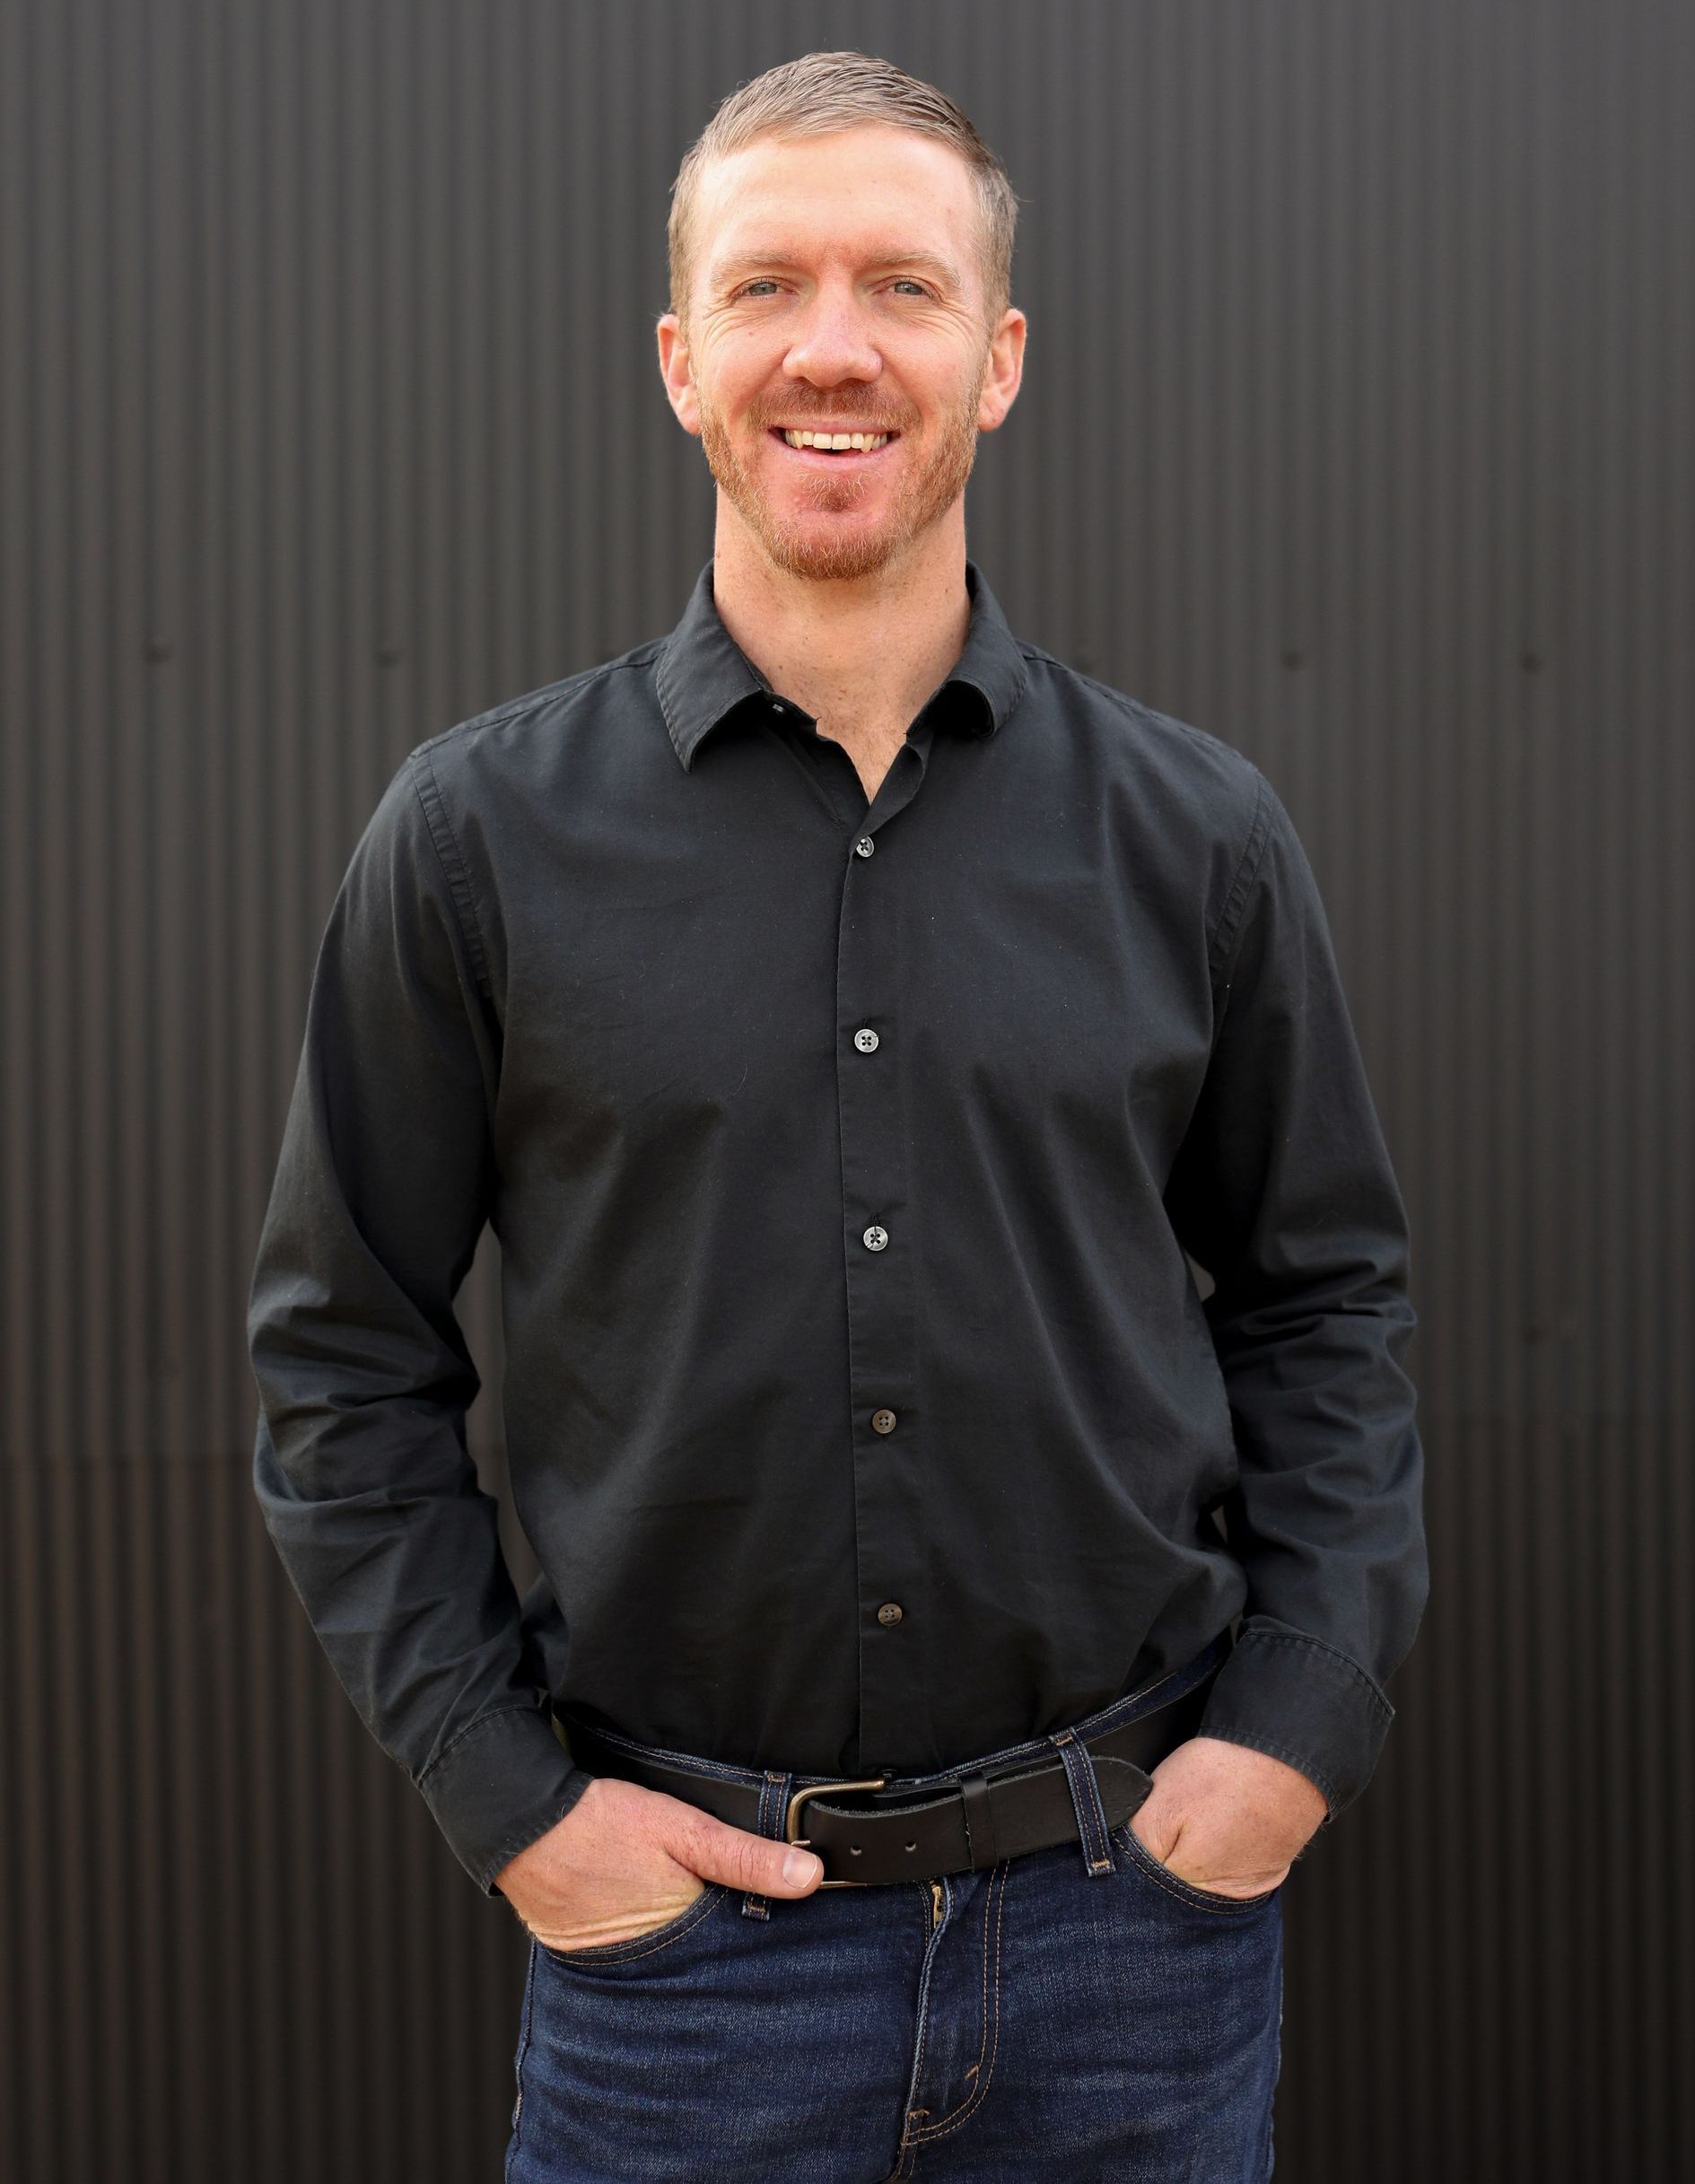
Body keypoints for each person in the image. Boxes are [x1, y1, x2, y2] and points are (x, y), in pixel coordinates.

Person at [248, 48, 1427, 2182]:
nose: (835, 345)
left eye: (903, 284)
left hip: (1129, 1946)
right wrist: (519, 1809)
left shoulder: (1197, 836)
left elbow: (1326, 1303)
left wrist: (1289, 1738)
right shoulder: (477, 841)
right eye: (772, 284)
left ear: (999, 359)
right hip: (680, 1978)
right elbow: (343, 1360)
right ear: (683, 357)